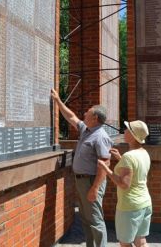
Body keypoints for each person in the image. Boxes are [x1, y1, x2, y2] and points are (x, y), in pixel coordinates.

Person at [51, 89, 112, 247]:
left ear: (95, 118)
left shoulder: (101, 137)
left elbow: (105, 165)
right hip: (82, 181)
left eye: (88, 112)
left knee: (96, 220)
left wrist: (94, 189)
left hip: (91, 182)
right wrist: (58, 101)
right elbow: (71, 117)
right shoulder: (86, 130)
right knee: (86, 219)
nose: (85, 113)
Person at [98, 120, 152, 247]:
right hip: (145, 203)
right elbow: (135, 169)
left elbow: (124, 184)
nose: (125, 131)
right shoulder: (144, 153)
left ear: (133, 136)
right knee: (141, 241)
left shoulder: (129, 156)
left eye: (128, 129)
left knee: (125, 243)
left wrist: (105, 169)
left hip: (130, 207)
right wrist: (120, 158)